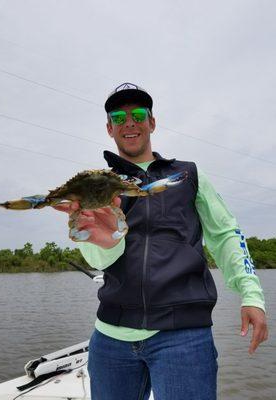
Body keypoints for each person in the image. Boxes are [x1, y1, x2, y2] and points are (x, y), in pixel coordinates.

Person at [55, 82, 268, 400]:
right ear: (109, 127)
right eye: (119, 116)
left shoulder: (188, 175)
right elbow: (98, 260)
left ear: (152, 122)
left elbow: (226, 234)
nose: (130, 122)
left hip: (183, 335)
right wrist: (108, 240)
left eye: (138, 114)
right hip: (110, 337)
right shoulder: (97, 185)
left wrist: (252, 295)